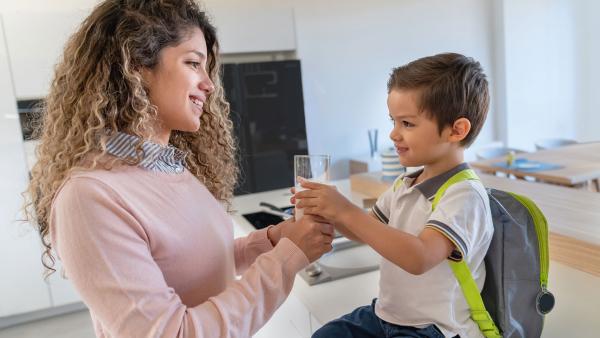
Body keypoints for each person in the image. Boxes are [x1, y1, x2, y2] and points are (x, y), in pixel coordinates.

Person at [23, 1, 334, 337]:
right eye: (193, 64)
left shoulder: (167, 167)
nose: (209, 84)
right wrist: (288, 258)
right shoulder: (89, 197)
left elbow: (197, 262)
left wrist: (272, 240)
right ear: (138, 64)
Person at [295, 53, 493, 338]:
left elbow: (420, 258)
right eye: (393, 121)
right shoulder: (407, 183)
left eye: (407, 124)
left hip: (435, 329)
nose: (393, 134)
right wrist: (325, 208)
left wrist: (344, 211)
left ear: (456, 130)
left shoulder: (464, 195)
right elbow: (363, 231)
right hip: (385, 316)